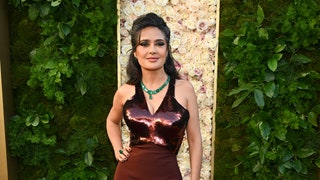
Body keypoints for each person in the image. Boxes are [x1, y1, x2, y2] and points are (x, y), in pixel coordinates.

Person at [106, 12, 202, 180]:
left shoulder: (185, 90)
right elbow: (112, 121)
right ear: (135, 52)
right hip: (128, 174)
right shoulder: (125, 91)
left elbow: (195, 141)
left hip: (168, 174)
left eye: (159, 43)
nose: (152, 50)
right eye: (144, 44)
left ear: (167, 50)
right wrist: (118, 148)